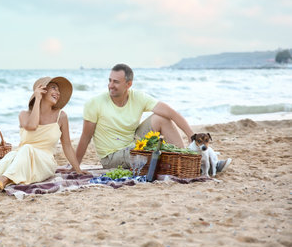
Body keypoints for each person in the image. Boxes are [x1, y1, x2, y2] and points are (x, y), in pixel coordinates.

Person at [75, 63, 231, 172]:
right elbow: (85, 138)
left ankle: (189, 158)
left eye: (116, 82)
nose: (110, 85)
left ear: (128, 84)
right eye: (109, 80)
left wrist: (193, 138)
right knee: (157, 154)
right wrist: (75, 166)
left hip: (134, 144)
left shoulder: (138, 97)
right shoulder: (94, 103)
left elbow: (172, 114)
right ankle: (190, 163)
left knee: (162, 118)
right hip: (112, 157)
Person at [0, 76, 88, 194]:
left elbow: (67, 145)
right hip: (21, 157)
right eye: (53, 88)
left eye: (59, 91)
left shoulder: (61, 116)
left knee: (26, 148)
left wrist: (78, 170)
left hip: (45, 161)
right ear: (42, 91)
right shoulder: (24, 115)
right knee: (12, 155)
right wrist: (37, 99)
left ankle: (3, 179)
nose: (57, 93)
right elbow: (32, 126)